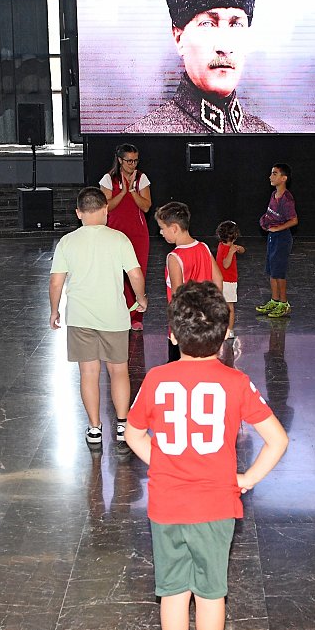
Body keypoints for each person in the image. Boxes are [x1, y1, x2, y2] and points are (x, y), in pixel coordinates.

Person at [124, 281, 288, 630]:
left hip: (166, 505)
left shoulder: (156, 379)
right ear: (225, 334)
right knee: (211, 593)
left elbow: (133, 433)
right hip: (216, 505)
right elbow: (277, 440)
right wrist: (246, 480)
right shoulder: (236, 382)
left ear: (171, 334)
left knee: (172, 591)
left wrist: (164, 461)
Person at [49, 187, 148, 446]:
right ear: (106, 209)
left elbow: (56, 282)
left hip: (80, 318)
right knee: (119, 371)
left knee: (89, 372)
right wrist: (141, 298)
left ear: (78, 213)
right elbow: (135, 274)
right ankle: (122, 425)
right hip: (114, 316)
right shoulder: (119, 239)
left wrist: (54, 310)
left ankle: (94, 428)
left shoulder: (67, 242)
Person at [126, 0, 273, 133]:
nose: (225, 47)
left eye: (236, 24)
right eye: (207, 24)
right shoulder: (143, 138)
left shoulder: (268, 138)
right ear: (179, 38)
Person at [157, 201, 223, 362]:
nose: (160, 232)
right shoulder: (204, 247)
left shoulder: (174, 257)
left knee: (178, 367)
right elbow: (219, 279)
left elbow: (177, 295)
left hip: (184, 328)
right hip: (206, 322)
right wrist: (213, 310)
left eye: (162, 228)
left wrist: (176, 327)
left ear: (174, 228)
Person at [99, 144, 153, 331]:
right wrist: (122, 192)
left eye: (135, 160)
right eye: (129, 161)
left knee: (137, 273)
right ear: (120, 160)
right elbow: (106, 207)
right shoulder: (108, 179)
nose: (132, 164)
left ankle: (135, 316)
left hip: (138, 234)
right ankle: (115, 315)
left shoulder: (141, 178)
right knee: (114, 275)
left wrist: (132, 191)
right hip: (114, 233)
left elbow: (146, 206)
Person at [255, 163, 297, 318]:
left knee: (279, 273)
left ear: (284, 178)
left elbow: (294, 220)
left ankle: (284, 304)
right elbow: (270, 215)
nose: (270, 177)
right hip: (273, 238)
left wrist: (278, 228)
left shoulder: (287, 199)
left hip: (282, 239)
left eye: (274, 174)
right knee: (272, 271)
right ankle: (274, 300)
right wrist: (265, 222)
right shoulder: (274, 195)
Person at [215, 220, 244, 336]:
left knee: (224, 306)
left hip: (222, 281)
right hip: (227, 282)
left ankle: (226, 329)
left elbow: (242, 250)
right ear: (235, 236)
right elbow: (226, 264)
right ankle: (228, 329)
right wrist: (231, 252)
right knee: (229, 308)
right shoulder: (227, 249)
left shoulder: (223, 245)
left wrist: (239, 249)